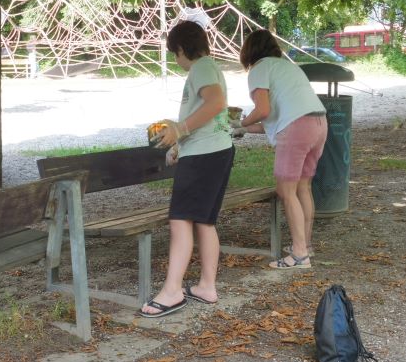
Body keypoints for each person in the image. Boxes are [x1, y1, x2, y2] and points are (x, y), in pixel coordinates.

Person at [139, 20, 234, 318]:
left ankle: (172, 292)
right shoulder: (210, 67)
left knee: (180, 220)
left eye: (175, 54)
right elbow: (208, 115)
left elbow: (216, 103)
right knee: (204, 222)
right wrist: (181, 143)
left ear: (181, 49)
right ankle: (207, 286)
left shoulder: (201, 68)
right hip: (215, 151)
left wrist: (180, 128)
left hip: (206, 157)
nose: (176, 61)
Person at [231, 29, 327, 270]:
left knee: (286, 191)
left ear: (249, 51)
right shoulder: (288, 67)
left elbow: (263, 110)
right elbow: (276, 119)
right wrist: (244, 129)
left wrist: (239, 123)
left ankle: (299, 255)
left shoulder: (259, 69)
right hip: (319, 123)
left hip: (297, 128)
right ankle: (305, 244)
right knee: (303, 186)